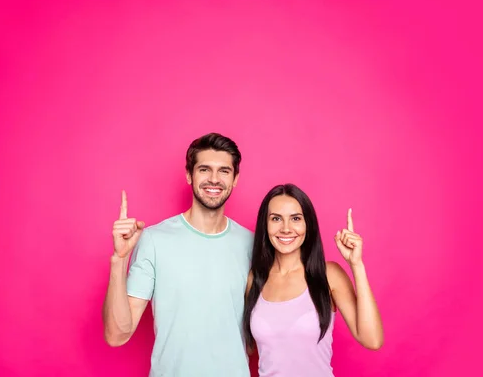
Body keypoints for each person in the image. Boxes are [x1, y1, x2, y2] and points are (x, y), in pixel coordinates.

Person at [102, 132, 253, 377]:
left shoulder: (251, 244)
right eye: (204, 169)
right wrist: (119, 260)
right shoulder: (153, 239)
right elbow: (117, 335)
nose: (214, 179)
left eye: (224, 171)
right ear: (188, 175)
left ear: (235, 178)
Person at [243, 183, 384, 376]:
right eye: (276, 218)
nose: (286, 228)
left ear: (307, 224)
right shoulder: (255, 278)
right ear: (265, 225)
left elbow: (372, 339)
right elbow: (247, 347)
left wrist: (356, 264)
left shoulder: (329, 275)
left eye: (295, 218)